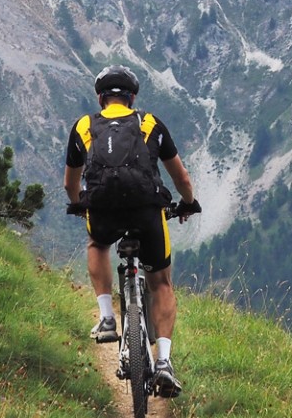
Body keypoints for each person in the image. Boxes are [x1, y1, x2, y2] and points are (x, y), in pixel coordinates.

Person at [64, 64, 201, 398]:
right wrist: (188, 203)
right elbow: (181, 177)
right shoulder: (149, 122)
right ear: (132, 97)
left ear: (100, 98)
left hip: (102, 211)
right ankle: (165, 362)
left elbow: (70, 182)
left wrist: (80, 203)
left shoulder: (84, 125)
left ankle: (108, 317)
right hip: (147, 211)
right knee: (162, 283)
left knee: (97, 244)